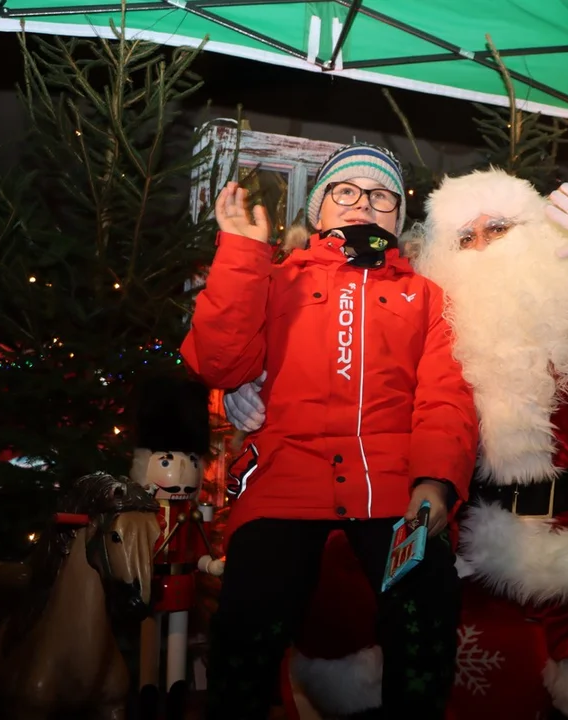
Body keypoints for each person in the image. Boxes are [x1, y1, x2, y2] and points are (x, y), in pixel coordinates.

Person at [225, 167, 568, 718]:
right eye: (463, 238)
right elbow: (340, 382)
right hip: (459, 529)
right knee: (337, 563)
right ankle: (360, 704)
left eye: (497, 228)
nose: (480, 248)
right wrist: (249, 384)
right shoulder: (422, 328)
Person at [181, 142, 479, 720]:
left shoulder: (428, 299)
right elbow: (215, 363)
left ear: (397, 216)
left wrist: (435, 484)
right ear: (319, 210)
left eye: (380, 195)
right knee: (250, 612)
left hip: (394, 485)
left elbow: (446, 397)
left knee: (427, 601)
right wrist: (243, 253)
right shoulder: (271, 279)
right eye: (346, 191)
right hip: (285, 478)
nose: (363, 204)